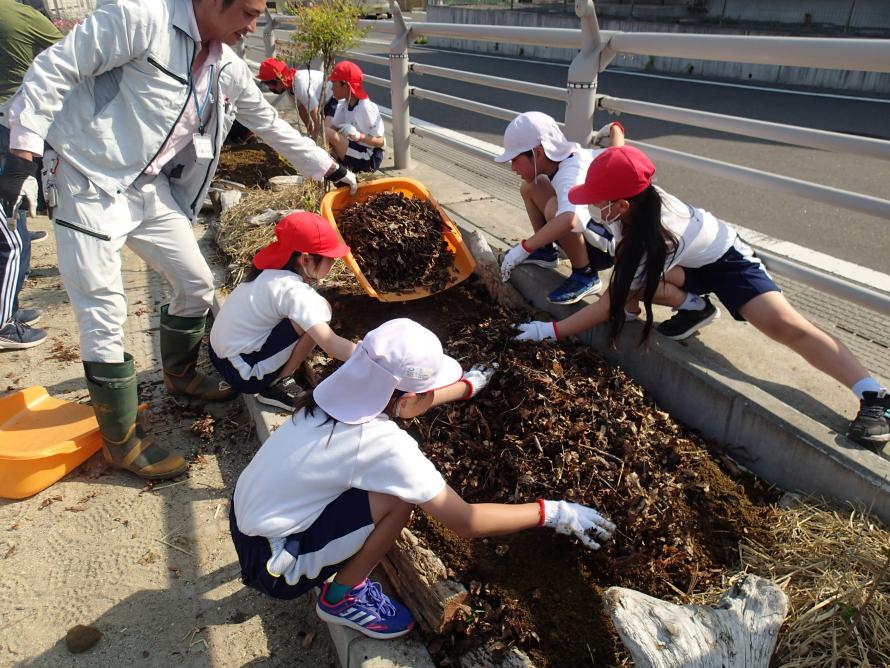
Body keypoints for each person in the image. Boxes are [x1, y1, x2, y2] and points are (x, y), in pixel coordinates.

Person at [0, 0, 359, 480]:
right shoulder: (139, 18)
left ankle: (182, 377)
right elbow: (54, 69)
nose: (254, 26)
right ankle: (121, 441)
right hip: (88, 180)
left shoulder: (225, 65)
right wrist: (22, 153)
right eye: (249, 13)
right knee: (104, 309)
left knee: (195, 283)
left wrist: (329, 168)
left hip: (149, 188)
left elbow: (268, 124)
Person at [230, 318, 615, 639]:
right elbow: (467, 522)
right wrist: (554, 512)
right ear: (407, 399)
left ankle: (324, 558)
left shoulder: (331, 395)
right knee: (399, 501)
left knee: (376, 488)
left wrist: (465, 388)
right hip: (273, 564)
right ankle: (341, 598)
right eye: (430, 391)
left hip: (247, 517)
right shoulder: (384, 446)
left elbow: (402, 398)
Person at [513, 145, 890, 450]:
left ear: (622, 204)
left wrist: (551, 331)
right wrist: (615, 136)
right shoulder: (633, 201)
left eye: (598, 200)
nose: (594, 207)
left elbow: (607, 302)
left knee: (785, 326)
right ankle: (696, 307)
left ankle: (875, 395)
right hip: (682, 262)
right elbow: (620, 156)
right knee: (632, 283)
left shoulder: (651, 235)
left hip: (726, 261)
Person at [209, 211, 356, 412]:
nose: (333, 263)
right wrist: (372, 356)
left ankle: (274, 373)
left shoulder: (269, 273)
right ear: (305, 259)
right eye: (330, 259)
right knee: (321, 311)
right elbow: (331, 345)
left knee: (316, 309)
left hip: (220, 354)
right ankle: (276, 384)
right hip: (245, 374)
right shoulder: (294, 291)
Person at [496, 112, 619, 305]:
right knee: (531, 186)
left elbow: (570, 219)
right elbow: (618, 152)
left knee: (555, 210)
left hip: (605, 245)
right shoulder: (573, 157)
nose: (513, 167)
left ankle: (585, 273)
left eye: (515, 159)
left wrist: (523, 248)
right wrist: (614, 128)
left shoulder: (569, 174)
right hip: (596, 229)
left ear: (537, 153)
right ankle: (546, 252)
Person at [0, 0, 62, 349]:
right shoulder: (19, 14)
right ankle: (3, 322)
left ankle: (9, 304)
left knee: (15, 226)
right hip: (11, 123)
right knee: (11, 241)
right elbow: (65, 52)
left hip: (11, 123)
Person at [324, 60, 385, 174]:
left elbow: (381, 142)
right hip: (355, 150)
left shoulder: (365, 107)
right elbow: (333, 128)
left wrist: (358, 136)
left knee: (326, 133)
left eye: (334, 84)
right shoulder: (344, 104)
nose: (331, 88)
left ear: (346, 86)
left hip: (368, 158)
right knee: (323, 134)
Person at [256, 57, 333, 139]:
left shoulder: (299, 84)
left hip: (333, 98)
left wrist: (315, 138)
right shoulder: (289, 87)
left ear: (279, 81)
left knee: (328, 133)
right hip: (323, 102)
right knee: (320, 133)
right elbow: (301, 110)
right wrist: (310, 131)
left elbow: (316, 116)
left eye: (270, 86)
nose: (270, 89)